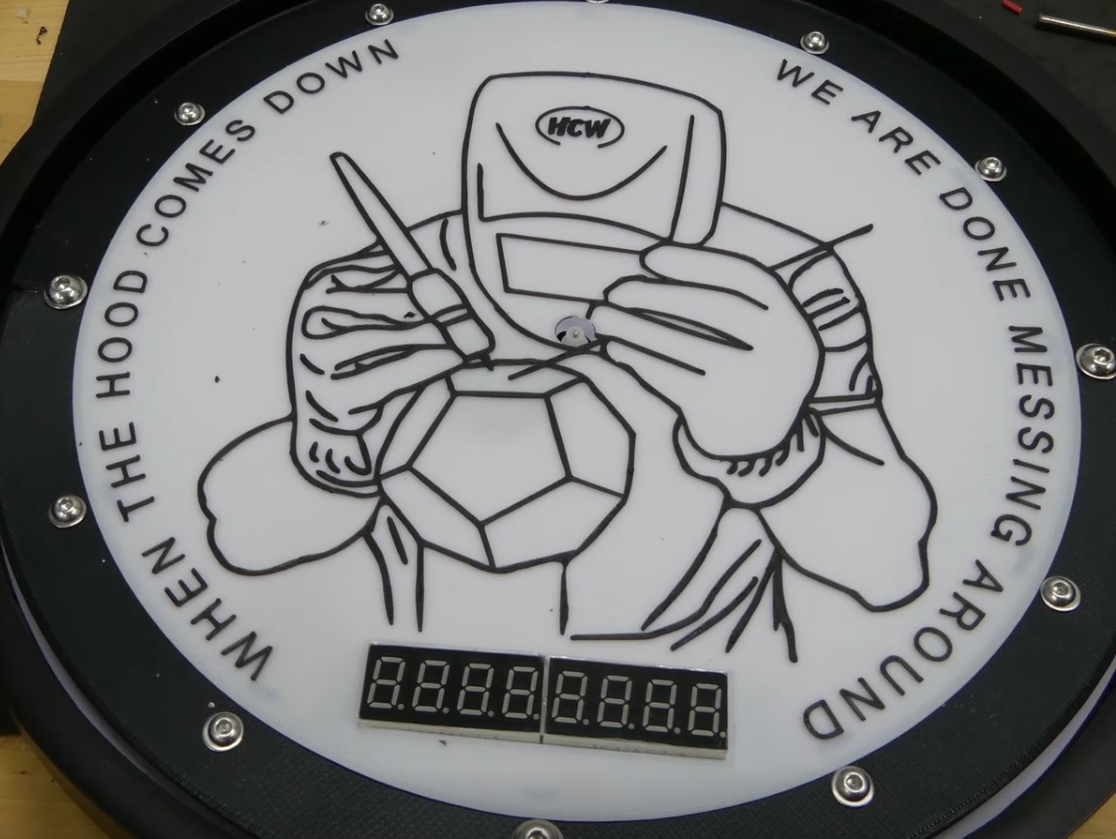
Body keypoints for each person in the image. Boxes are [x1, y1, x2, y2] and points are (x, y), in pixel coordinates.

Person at [200, 73, 935, 659]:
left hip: (693, 662)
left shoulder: (792, 285)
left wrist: (771, 448)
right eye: (523, 249)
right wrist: (331, 438)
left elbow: (888, 568)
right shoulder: (390, 282)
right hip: (418, 656)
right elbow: (243, 542)